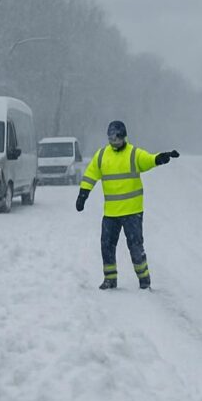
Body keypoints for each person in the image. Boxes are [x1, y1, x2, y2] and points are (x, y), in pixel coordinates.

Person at [76, 120, 179, 290]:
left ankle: (144, 280)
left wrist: (160, 158)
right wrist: (83, 194)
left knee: (135, 246)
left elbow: (149, 160)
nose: (113, 141)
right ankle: (110, 279)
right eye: (110, 138)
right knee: (106, 245)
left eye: (116, 138)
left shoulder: (133, 154)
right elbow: (90, 175)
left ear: (123, 137)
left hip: (132, 212)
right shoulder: (101, 155)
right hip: (111, 213)